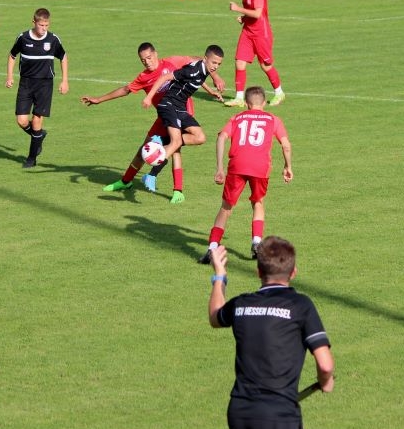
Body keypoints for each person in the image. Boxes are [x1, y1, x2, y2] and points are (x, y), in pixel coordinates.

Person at [208, 236, 334, 429]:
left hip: (240, 412)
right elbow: (325, 365)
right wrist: (326, 382)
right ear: (293, 273)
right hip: (279, 415)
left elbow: (215, 316)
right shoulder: (301, 305)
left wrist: (220, 276)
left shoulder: (242, 304)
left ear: (258, 271)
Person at [81, 42, 225, 202]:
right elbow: (125, 90)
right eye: (143, 60)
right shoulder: (144, 77)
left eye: (149, 57)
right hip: (165, 112)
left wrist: (215, 77)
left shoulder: (171, 62)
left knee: (176, 145)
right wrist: (99, 99)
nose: (147, 62)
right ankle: (127, 181)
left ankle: (171, 185)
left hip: (182, 110)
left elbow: (197, 62)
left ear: (156, 54)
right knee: (149, 149)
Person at [198, 87, 292, 264]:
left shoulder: (237, 117)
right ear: (264, 103)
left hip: (237, 165)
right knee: (258, 202)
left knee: (226, 208)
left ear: (247, 104)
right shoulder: (273, 119)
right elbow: (286, 145)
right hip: (260, 167)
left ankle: (212, 248)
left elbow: (221, 137)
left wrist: (219, 168)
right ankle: (256, 242)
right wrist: (288, 166)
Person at [141, 45, 224, 170]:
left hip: (180, 107)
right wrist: (149, 97)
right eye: (214, 62)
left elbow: (198, 79)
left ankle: (161, 141)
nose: (215, 66)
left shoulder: (204, 69)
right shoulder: (191, 70)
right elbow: (164, 77)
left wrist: (210, 91)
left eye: (218, 64)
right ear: (205, 58)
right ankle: (153, 166)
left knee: (200, 138)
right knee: (176, 142)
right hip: (169, 104)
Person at [6, 8, 69, 168]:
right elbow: (12, 55)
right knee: (21, 120)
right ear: (34, 22)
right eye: (41, 25)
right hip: (26, 83)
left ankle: (31, 159)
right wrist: (10, 76)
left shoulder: (53, 40)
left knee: (36, 121)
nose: (44, 28)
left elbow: (63, 57)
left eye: (46, 25)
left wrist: (65, 81)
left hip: (45, 84)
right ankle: (39, 136)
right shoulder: (23, 38)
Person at [224, 0, 285, 107]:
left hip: (261, 34)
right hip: (248, 32)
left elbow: (258, 14)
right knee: (239, 62)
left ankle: (279, 92)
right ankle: (239, 98)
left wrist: (238, 9)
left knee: (266, 65)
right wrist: (244, 18)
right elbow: (250, 12)